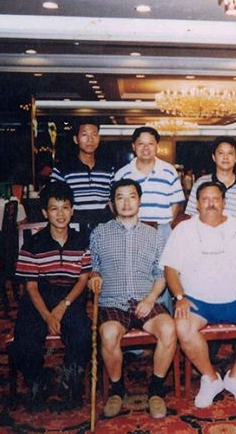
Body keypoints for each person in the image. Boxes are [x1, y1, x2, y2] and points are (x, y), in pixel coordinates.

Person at [161, 181, 236, 408]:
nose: (211, 204)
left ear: (223, 202)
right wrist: (180, 297)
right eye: (205, 199)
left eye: (215, 199)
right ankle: (210, 378)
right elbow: (170, 269)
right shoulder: (183, 230)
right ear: (197, 203)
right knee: (183, 326)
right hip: (197, 302)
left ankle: (235, 376)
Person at [88, 179, 177, 419]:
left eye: (132, 197)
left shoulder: (154, 235)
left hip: (145, 300)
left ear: (139, 201)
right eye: (120, 197)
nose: (126, 203)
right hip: (113, 302)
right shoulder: (99, 233)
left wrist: (150, 299)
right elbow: (93, 268)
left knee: (169, 329)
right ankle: (117, 390)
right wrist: (94, 277)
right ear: (112, 204)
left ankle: (156, 390)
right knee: (108, 333)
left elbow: (161, 275)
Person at [12, 181, 91, 411]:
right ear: (45, 212)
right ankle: (37, 380)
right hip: (39, 297)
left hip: (71, 296)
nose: (60, 214)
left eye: (65, 207)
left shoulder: (82, 241)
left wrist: (63, 306)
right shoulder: (33, 244)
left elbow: (83, 280)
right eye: (54, 208)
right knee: (25, 338)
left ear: (72, 210)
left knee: (82, 335)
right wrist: (48, 315)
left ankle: (70, 378)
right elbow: (31, 287)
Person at [114, 126, 185, 311]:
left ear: (157, 146)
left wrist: (165, 224)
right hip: (133, 231)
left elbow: (176, 203)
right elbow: (114, 203)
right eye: (141, 144)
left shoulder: (168, 171)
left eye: (150, 144)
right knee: (138, 272)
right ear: (133, 146)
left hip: (162, 230)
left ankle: (165, 314)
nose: (146, 148)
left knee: (165, 272)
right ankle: (134, 312)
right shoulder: (123, 173)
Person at [50, 120, 114, 236]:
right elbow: (55, 200)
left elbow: (114, 200)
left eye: (94, 135)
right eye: (84, 135)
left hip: (105, 230)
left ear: (99, 139)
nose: (90, 140)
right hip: (74, 231)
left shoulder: (108, 168)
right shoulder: (62, 169)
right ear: (76, 139)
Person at [185, 136, 236, 224]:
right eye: (221, 153)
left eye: (230, 153)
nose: (225, 157)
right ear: (214, 157)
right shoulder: (201, 183)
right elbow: (192, 216)